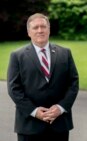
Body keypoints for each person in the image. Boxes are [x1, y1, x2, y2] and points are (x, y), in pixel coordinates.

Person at [7, 13, 79, 141]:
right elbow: (14, 89)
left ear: (49, 30)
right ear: (29, 32)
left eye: (43, 27)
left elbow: (73, 83)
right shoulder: (17, 56)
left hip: (59, 124)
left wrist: (61, 108)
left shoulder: (65, 53)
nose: (40, 30)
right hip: (29, 125)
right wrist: (35, 112)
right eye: (35, 28)